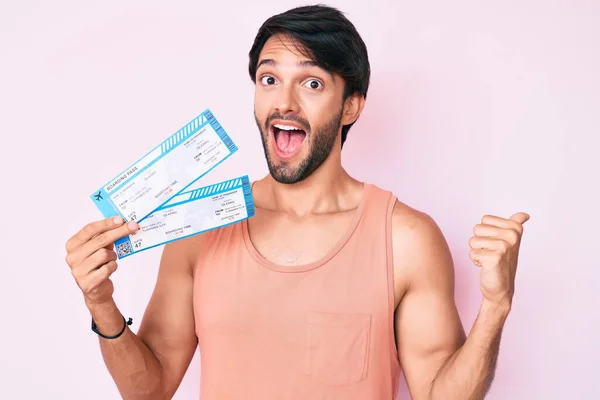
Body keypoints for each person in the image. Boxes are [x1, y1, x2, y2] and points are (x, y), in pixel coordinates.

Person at [64, 4, 529, 400]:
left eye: (311, 84)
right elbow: (150, 388)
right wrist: (101, 303)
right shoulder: (200, 229)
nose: (284, 102)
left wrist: (495, 306)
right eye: (269, 79)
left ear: (351, 106)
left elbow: (438, 394)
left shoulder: (405, 238)